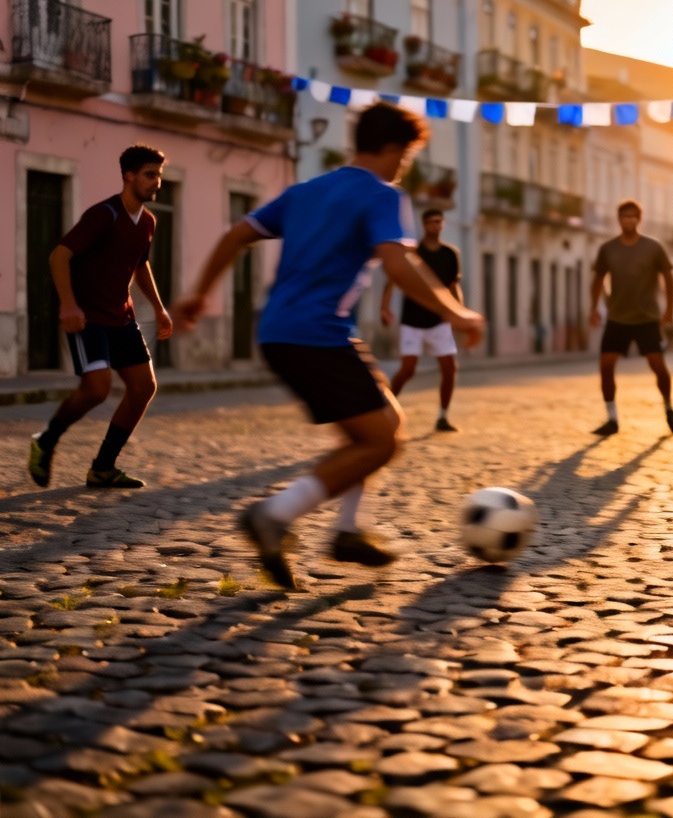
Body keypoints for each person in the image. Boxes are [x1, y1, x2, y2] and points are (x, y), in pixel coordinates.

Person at [172, 103, 483, 589]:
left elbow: (236, 234)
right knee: (383, 440)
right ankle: (274, 515)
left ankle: (346, 531)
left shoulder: (304, 191)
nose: (405, 165)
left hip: (280, 331)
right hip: (315, 333)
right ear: (394, 149)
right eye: (406, 155)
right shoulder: (381, 194)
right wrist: (457, 312)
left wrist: (199, 292)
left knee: (380, 424)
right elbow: (400, 266)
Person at [28, 145, 172, 490]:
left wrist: (159, 307)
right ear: (129, 176)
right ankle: (45, 441)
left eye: (160, 176)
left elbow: (140, 264)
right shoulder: (103, 215)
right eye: (150, 175)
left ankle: (103, 468)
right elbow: (59, 256)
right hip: (88, 316)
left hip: (121, 316)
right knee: (96, 389)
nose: (157, 183)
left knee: (143, 387)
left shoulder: (147, 222)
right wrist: (68, 305)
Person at [589, 199, 673, 436]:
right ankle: (612, 418)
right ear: (618, 219)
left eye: (632, 216)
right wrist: (594, 308)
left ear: (639, 219)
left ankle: (668, 407)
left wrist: (669, 310)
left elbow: (668, 277)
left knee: (657, 365)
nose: (628, 220)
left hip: (647, 318)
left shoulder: (653, 247)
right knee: (606, 366)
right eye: (624, 216)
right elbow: (598, 279)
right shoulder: (608, 249)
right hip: (617, 318)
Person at [380, 208, 463, 432]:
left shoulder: (450, 254)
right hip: (412, 320)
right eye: (430, 222)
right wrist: (385, 307)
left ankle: (443, 417)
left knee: (449, 368)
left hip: (439, 321)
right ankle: (384, 410)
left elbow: (453, 286)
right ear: (424, 225)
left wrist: (460, 314)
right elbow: (393, 280)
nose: (434, 226)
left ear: (443, 224)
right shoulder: (413, 254)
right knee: (408, 370)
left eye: (438, 222)